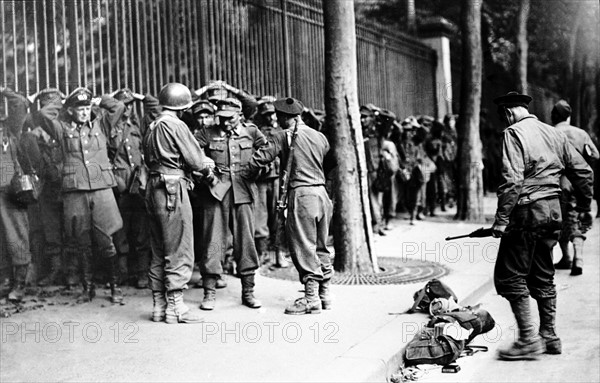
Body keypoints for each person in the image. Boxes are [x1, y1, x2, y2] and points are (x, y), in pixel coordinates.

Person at [491, 91, 593, 360]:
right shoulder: (555, 134)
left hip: (527, 213)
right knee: (543, 272)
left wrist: (501, 220)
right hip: (553, 212)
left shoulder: (513, 133)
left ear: (509, 113)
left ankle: (527, 340)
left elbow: (512, 180)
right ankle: (549, 335)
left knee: (510, 275)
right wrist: (584, 206)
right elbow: (583, 171)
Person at [31, 87, 125, 304]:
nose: (84, 112)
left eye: (87, 107)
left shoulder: (102, 124)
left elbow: (118, 106)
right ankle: (88, 288)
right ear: (70, 111)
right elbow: (44, 114)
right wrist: (62, 101)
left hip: (101, 189)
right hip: (75, 190)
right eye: (79, 108)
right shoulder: (61, 129)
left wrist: (100, 99)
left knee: (106, 239)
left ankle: (114, 287)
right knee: (81, 240)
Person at [246, 97, 335, 315]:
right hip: (322, 194)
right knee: (321, 245)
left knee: (304, 247)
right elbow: (329, 161)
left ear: (286, 117)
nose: (277, 120)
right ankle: (324, 294)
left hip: (302, 196)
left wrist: (245, 172)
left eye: (279, 116)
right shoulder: (319, 136)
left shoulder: (281, 136)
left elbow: (259, 160)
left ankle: (311, 298)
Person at [143, 82, 214, 324]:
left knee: (158, 248)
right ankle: (176, 308)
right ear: (181, 107)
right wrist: (207, 165)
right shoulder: (176, 125)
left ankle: (159, 306)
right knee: (179, 247)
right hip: (173, 189)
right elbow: (195, 161)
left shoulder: (152, 125)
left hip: (153, 187)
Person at [195, 97, 267, 311]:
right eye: (222, 118)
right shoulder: (206, 132)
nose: (225, 123)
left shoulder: (252, 132)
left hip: (243, 191)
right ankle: (209, 292)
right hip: (215, 192)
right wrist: (204, 170)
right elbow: (192, 154)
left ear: (240, 116)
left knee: (246, 241)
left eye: (231, 119)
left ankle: (248, 291)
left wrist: (257, 168)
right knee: (213, 241)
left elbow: (269, 152)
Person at [108, 88, 154, 289]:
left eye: (129, 105)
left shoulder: (138, 125)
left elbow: (155, 106)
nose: (126, 109)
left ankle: (143, 273)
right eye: (122, 105)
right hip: (118, 185)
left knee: (142, 229)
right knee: (120, 229)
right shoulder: (108, 127)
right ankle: (122, 273)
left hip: (139, 183)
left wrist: (140, 97)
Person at [550, 100, 599, 275]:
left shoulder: (549, 133)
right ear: (569, 117)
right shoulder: (581, 133)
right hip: (578, 182)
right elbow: (595, 154)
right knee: (575, 219)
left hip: (557, 182)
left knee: (557, 221)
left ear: (553, 116)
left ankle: (567, 257)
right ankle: (576, 258)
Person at [0, 87, 33, 302]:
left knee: (16, 237)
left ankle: (19, 283)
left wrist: (4, 90)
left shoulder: (9, 127)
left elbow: (20, 103)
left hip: (9, 192)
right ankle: (4, 281)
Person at [252, 96, 289, 267]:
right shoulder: (255, 131)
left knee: (278, 216)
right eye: (266, 114)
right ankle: (261, 253)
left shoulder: (281, 131)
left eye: (272, 114)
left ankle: (279, 253)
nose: (270, 117)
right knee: (259, 218)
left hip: (278, 179)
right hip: (260, 179)